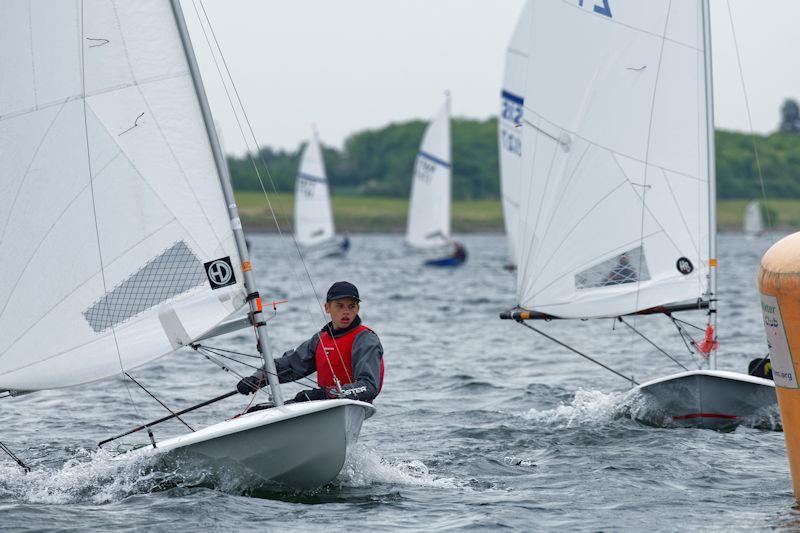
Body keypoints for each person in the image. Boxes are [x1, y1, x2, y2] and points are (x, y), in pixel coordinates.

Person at [237, 281, 384, 403]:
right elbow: (289, 365)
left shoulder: (365, 339)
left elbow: (369, 386)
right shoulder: (321, 339)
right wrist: (256, 379)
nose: (346, 312)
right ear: (327, 308)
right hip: (324, 405)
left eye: (351, 306)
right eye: (339, 305)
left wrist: (325, 394)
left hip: (349, 406)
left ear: (357, 309)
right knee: (258, 411)